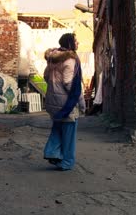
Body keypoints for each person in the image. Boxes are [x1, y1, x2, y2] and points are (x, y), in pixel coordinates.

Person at [43, 33, 85, 171]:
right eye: (75, 40)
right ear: (69, 43)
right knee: (69, 134)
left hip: (52, 102)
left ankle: (51, 152)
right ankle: (67, 162)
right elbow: (70, 84)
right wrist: (81, 103)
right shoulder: (70, 60)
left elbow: (46, 76)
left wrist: (55, 89)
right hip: (66, 104)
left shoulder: (52, 59)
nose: (77, 43)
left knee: (57, 128)